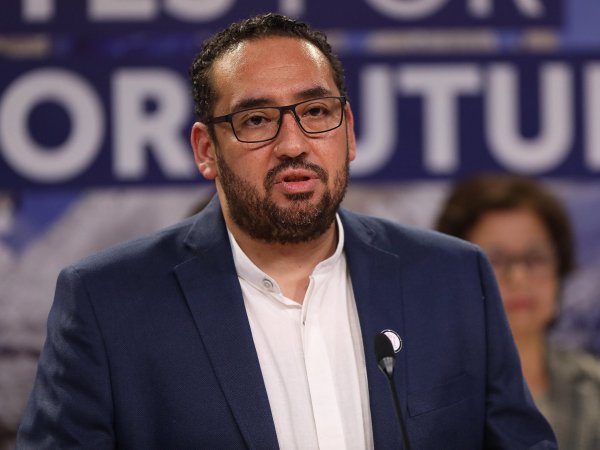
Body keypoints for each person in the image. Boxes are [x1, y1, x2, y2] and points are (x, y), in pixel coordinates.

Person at [17, 13, 556, 449]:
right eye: (256, 119)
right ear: (206, 150)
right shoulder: (107, 303)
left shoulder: (452, 277)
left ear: (349, 133)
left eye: (316, 112)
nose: (294, 144)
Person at [435, 173, 600, 450]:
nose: (519, 278)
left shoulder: (594, 386)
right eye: (495, 260)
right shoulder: (425, 399)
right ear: (453, 275)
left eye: (536, 258)